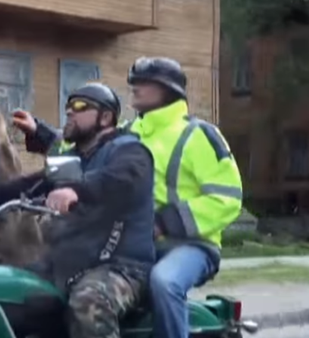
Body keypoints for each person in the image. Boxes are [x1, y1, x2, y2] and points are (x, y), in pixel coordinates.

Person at [12, 58, 243, 338]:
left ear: (169, 89)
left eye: (145, 82)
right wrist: (40, 132)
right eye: (134, 81)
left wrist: (165, 223)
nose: (134, 86)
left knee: (164, 282)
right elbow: (86, 143)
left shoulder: (198, 134)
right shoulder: (132, 131)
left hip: (190, 244)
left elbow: (227, 199)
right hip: (133, 241)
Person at [0, 82, 156, 338]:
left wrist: (76, 190)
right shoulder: (75, 159)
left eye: (80, 106)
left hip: (121, 266)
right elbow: (32, 184)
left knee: (89, 302)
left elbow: (120, 179)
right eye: (68, 106)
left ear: (106, 117)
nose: (69, 111)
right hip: (72, 260)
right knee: (1, 288)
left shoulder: (130, 151)